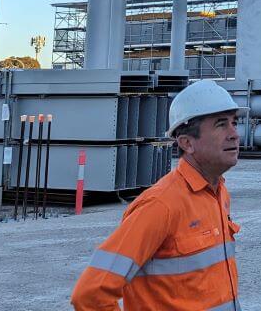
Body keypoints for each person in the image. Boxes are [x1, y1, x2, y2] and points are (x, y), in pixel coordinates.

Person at [72, 80, 245, 311]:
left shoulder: (218, 193)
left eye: (234, 122)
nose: (234, 134)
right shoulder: (161, 205)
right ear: (187, 143)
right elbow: (90, 295)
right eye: (220, 125)